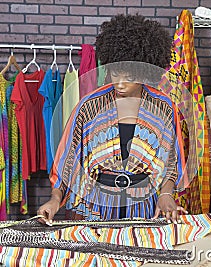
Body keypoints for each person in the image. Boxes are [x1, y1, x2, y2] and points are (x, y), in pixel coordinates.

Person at [37, 14, 188, 224]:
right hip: (95, 205)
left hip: (145, 205)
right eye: (116, 73)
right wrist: (54, 199)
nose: (121, 83)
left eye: (130, 77)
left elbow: (172, 160)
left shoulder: (163, 107)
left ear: (144, 72)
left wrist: (166, 194)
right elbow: (68, 159)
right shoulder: (90, 105)